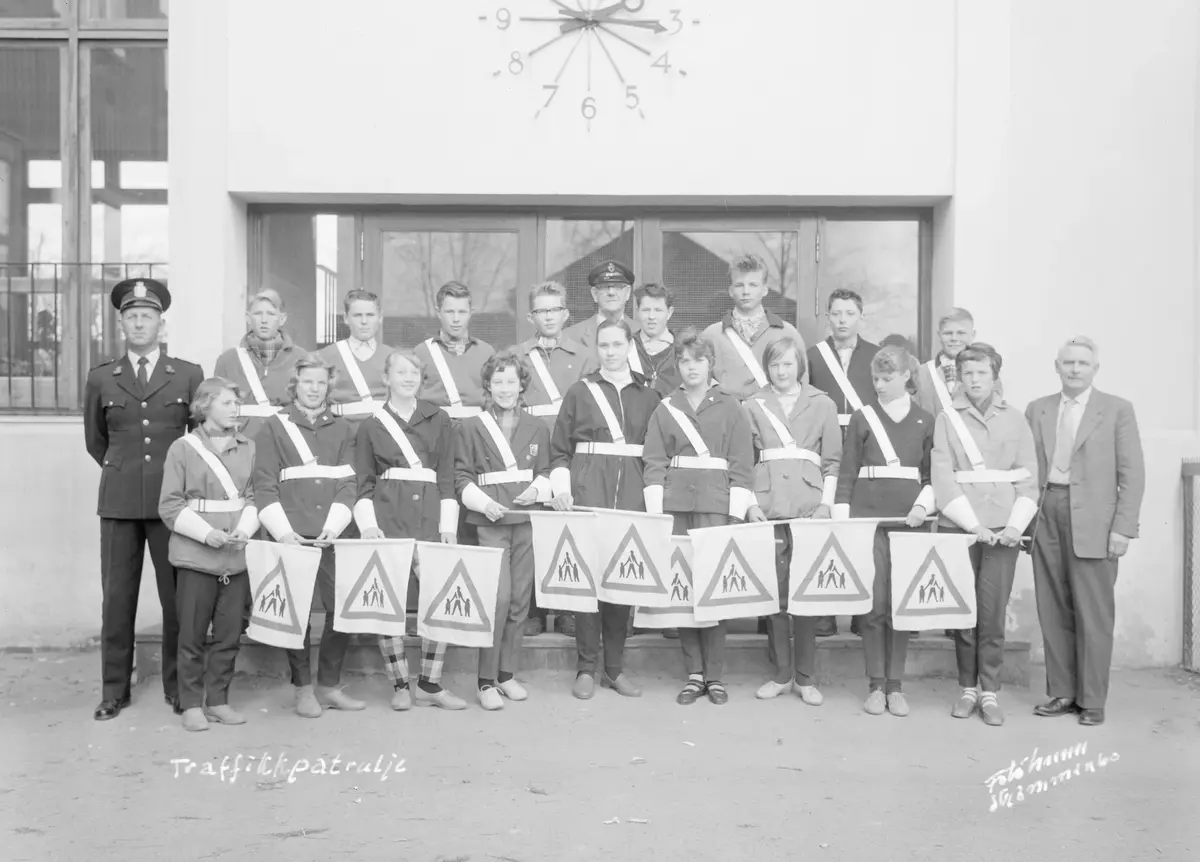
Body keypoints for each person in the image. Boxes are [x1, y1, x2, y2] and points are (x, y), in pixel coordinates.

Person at [84, 278, 204, 721]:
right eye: (132, 316)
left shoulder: (187, 374)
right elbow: (96, 440)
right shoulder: (102, 377)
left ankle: (178, 687)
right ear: (122, 324)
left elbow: (197, 441)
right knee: (117, 600)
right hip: (118, 504)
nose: (139, 323)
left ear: (160, 323)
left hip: (171, 505)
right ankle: (114, 690)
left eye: (147, 316)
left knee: (176, 599)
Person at [1025, 336, 1144, 726]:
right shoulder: (1038, 409)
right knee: (1052, 607)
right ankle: (1062, 692)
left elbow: (1132, 474)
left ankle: (1092, 699)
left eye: (1082, 363)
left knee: (1094, 612)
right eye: (1068, 363)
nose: (1075, 369)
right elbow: (1027, 468)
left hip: (1095, 522)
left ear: (1095, 369)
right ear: (1056, 367)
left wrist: (1122, 528)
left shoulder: (1116, 410)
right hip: (1046, 514)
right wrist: (1024, 522)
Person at [549, 319, 662, 699]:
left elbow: (656, 453)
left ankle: (614, 668)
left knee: (622, 582)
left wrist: (652, 502)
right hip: (589, 490)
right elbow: (559, 449)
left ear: (629, 346)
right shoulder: (580, 392)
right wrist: (563, 489)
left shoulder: (649, 396)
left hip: (632, 494)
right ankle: (586, 667)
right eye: (604, 345)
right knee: (588, 582)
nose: (611, 352)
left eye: (617, 344)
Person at [642, 329, 755, 706]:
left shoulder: (731, 407)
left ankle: (715, 674)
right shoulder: (666, 408)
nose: (691, 367)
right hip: (675, 507)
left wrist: (735, 513)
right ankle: (693, 673)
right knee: (683, 590)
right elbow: (654, 461)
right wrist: (657, 514)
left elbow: (742, 463)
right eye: (685, 361)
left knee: (714, 590)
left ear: (711, 364)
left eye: (699, 360)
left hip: (716, 506)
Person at [930, 344, 1038, 726]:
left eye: (982, 373)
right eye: (968, 373)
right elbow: (942, 477)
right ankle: (967, 688)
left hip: (1003, 529)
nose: (975, 380)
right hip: (961, 527)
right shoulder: (947, 418)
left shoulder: (1016, 419)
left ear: (995, 377)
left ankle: (989, 690)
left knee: (992, 612)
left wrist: (1014, 526)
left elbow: (1028, 478)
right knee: (964, 610)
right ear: (959, 377)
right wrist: (972, 525)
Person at [253, 354, 364, 718]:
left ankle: (328, 685)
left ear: (328, 386)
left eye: (320, 382)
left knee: (341, 608)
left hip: (334, 533)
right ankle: (303, 688)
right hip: (292, 534)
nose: (314, 389)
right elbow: (264, 485)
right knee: (296, 611)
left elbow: (350, 483)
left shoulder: (343, 428)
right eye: (307, 382)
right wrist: (284, 534)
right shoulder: (274, 426)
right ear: (295, 384)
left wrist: (333, 527)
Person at [354, 351, 466, 711]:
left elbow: (446, 475)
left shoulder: (439, 418)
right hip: (389, 520)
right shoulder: (371, 426)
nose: (407, 378)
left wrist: (448, 525)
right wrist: (369, 525)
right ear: (386, 378)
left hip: (431, 520)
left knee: (439, 600)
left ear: (422, 378)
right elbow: (363, 481)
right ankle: (400, 683)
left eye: (414, 372)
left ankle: (430, 683)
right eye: (400, 372)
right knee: (389, 603)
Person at [834, 345, 935, 717]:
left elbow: (932, 475)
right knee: (874, 606)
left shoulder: (925, 420)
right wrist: (844, 518)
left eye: (887, 378)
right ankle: (876, 685)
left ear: (906, 376)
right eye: (876, 378)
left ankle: (896, 686)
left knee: (900, 606)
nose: (879, 385)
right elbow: (847, 471)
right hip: (868, 523)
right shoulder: (863, 418)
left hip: (909, 523)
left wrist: (922, 507)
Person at [744, 339, 841, 706]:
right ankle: (781, 674)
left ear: (800, 365)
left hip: (809, 507)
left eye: (787, 364)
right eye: (774, 365)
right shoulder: (753, 404)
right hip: (768, 505)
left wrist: (826, 504)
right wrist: (750, 503)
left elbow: (833, 461)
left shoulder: (823, 403)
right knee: (775, 594)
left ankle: (806, 676)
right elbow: (744, 459)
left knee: (806, 594)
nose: (781, 371)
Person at [158, 377, 259, 732]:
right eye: (227, 402)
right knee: (192, 635)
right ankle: (190, 704)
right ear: (205, 406)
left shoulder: (248, 446)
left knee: (228, 636)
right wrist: (207, 534)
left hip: (235, 557)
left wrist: (244, 531)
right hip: (196, 557)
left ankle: (217, 701)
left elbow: (253, 496)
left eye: (236, 403)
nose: (235, 409)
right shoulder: (182, 448)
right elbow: (170, 506)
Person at [455, 352, 552, 710]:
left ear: (522, 385)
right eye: (498, 382)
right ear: (488, 386)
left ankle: (506, 674)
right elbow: (461, 476)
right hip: (491, 521)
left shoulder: (538, 426)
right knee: (497, 599)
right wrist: (483, 504)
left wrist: (538, 490)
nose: (505, 388)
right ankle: (485, 680)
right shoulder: (471, 426)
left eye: (511, 381)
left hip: (526, 518)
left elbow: (546, 470)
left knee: (520, 600)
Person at [511, 281, 596, 635]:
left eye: (555, 309)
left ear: (566, 314)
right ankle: (532, 610)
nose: (548, 316)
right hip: (529, 450)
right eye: (541, 310)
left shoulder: (585, 356)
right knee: (531, 530)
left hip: (569, 450)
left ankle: (566, 609)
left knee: (568, 528)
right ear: (531, 316)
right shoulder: (516, 356)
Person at [807, 288, 879, 638]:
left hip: (866, 446)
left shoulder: (877, 356)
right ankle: (824, 612)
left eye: (849, 314)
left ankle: (864, 613)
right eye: (836, 313)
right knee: (825, 529)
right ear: (828, 317)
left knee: (862, 529)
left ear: (861, 317)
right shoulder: (813, 357)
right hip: (826, 445)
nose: (842, 320)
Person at [702, 254, 807, 400]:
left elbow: (802, 389)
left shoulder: (787, 334)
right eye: (739, 285)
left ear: (764, 290)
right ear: (731, 291)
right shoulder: (712, 336)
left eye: (753, 285)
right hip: (727, 412)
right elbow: (701, 388)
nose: (746, 291)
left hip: (773, 412)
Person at [213, 288, 304, 440]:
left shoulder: (301, 358)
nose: (264, 320)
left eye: (271, 314)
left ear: (282, 319)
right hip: (241, 444)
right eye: (257, 314)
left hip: (287, 443)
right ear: (248, 318)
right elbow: (216, 411)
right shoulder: (228, 360)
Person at [412, 281, 495, 420]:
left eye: (462, 312)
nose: (456, 319)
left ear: (470, 313)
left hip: (476, 428)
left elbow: (495, 400)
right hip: (434, 428)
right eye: (450, 312)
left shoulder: (486, 352)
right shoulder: (421, 353)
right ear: (438, 313)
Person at [317, 289, 395, 422]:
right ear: (346, 318)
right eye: (357, 315)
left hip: (383, 429)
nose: (364, 321)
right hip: (340, 428)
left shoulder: (393, 357)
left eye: (370, 315)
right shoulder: (325, 356)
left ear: (380, 317)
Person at [563, 259, 641, 354]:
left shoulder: (642, 334)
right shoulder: (571, 336)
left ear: (628, 292)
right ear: (595, 294)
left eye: (618, 286)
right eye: (605, 287)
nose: (611, 292)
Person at [915, 308, 977, 416]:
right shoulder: (922, 373)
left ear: (973, 335)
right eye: (948, 333)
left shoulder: (985, 371)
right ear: (939, 335)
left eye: (961, 333)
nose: (954, 338)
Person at [631, 282, 680, 398]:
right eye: (646, 310)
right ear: (637, 311)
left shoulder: (683, 349)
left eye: (658, 310)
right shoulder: (626, 347)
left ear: (669, 312)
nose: (651, 316)